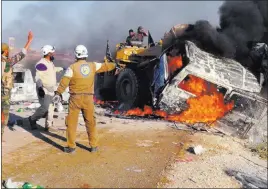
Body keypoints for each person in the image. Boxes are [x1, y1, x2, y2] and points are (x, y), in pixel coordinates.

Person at [52, 45, 116, 153]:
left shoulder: (71, 68)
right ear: (86, 54)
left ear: (76, 55)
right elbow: (107, 66)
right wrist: (114, 64)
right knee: (90, 122)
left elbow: (64, 82)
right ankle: (94, 146)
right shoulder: (93, 65)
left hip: (75, 99)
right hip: (88, 99)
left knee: (71, 123)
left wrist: (58, 93)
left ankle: (71, 147)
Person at [1, 31, 33, 139]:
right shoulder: (7, 62)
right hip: (4, 94)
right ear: (5, 51)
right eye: (7, 51)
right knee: (4, 115)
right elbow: (22, 54)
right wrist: (29, 41)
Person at [27, 45, 63, 131]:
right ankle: (32, 119)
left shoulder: (50, 63)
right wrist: (40, 88)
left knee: (51, 107)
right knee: (45, 107)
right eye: (52, 53)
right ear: (47, 53)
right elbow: (38, 77)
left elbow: (52, 70)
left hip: (52, 88)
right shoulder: (41, 64)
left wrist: (62, 68)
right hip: (44, 89)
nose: (53, 54)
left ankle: (48, 126)